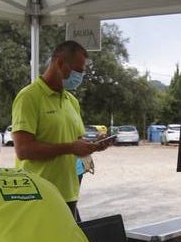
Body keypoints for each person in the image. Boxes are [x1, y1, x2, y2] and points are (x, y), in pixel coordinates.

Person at [11, 40, 112, 217]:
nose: (79, 77)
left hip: (69, 193)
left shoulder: (71, 101)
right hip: (37, 194)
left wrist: (93, 146)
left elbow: (75, 142)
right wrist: (70, 148)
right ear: (59, 62)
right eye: (77, 70)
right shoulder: (29, 97)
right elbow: (23, 149)